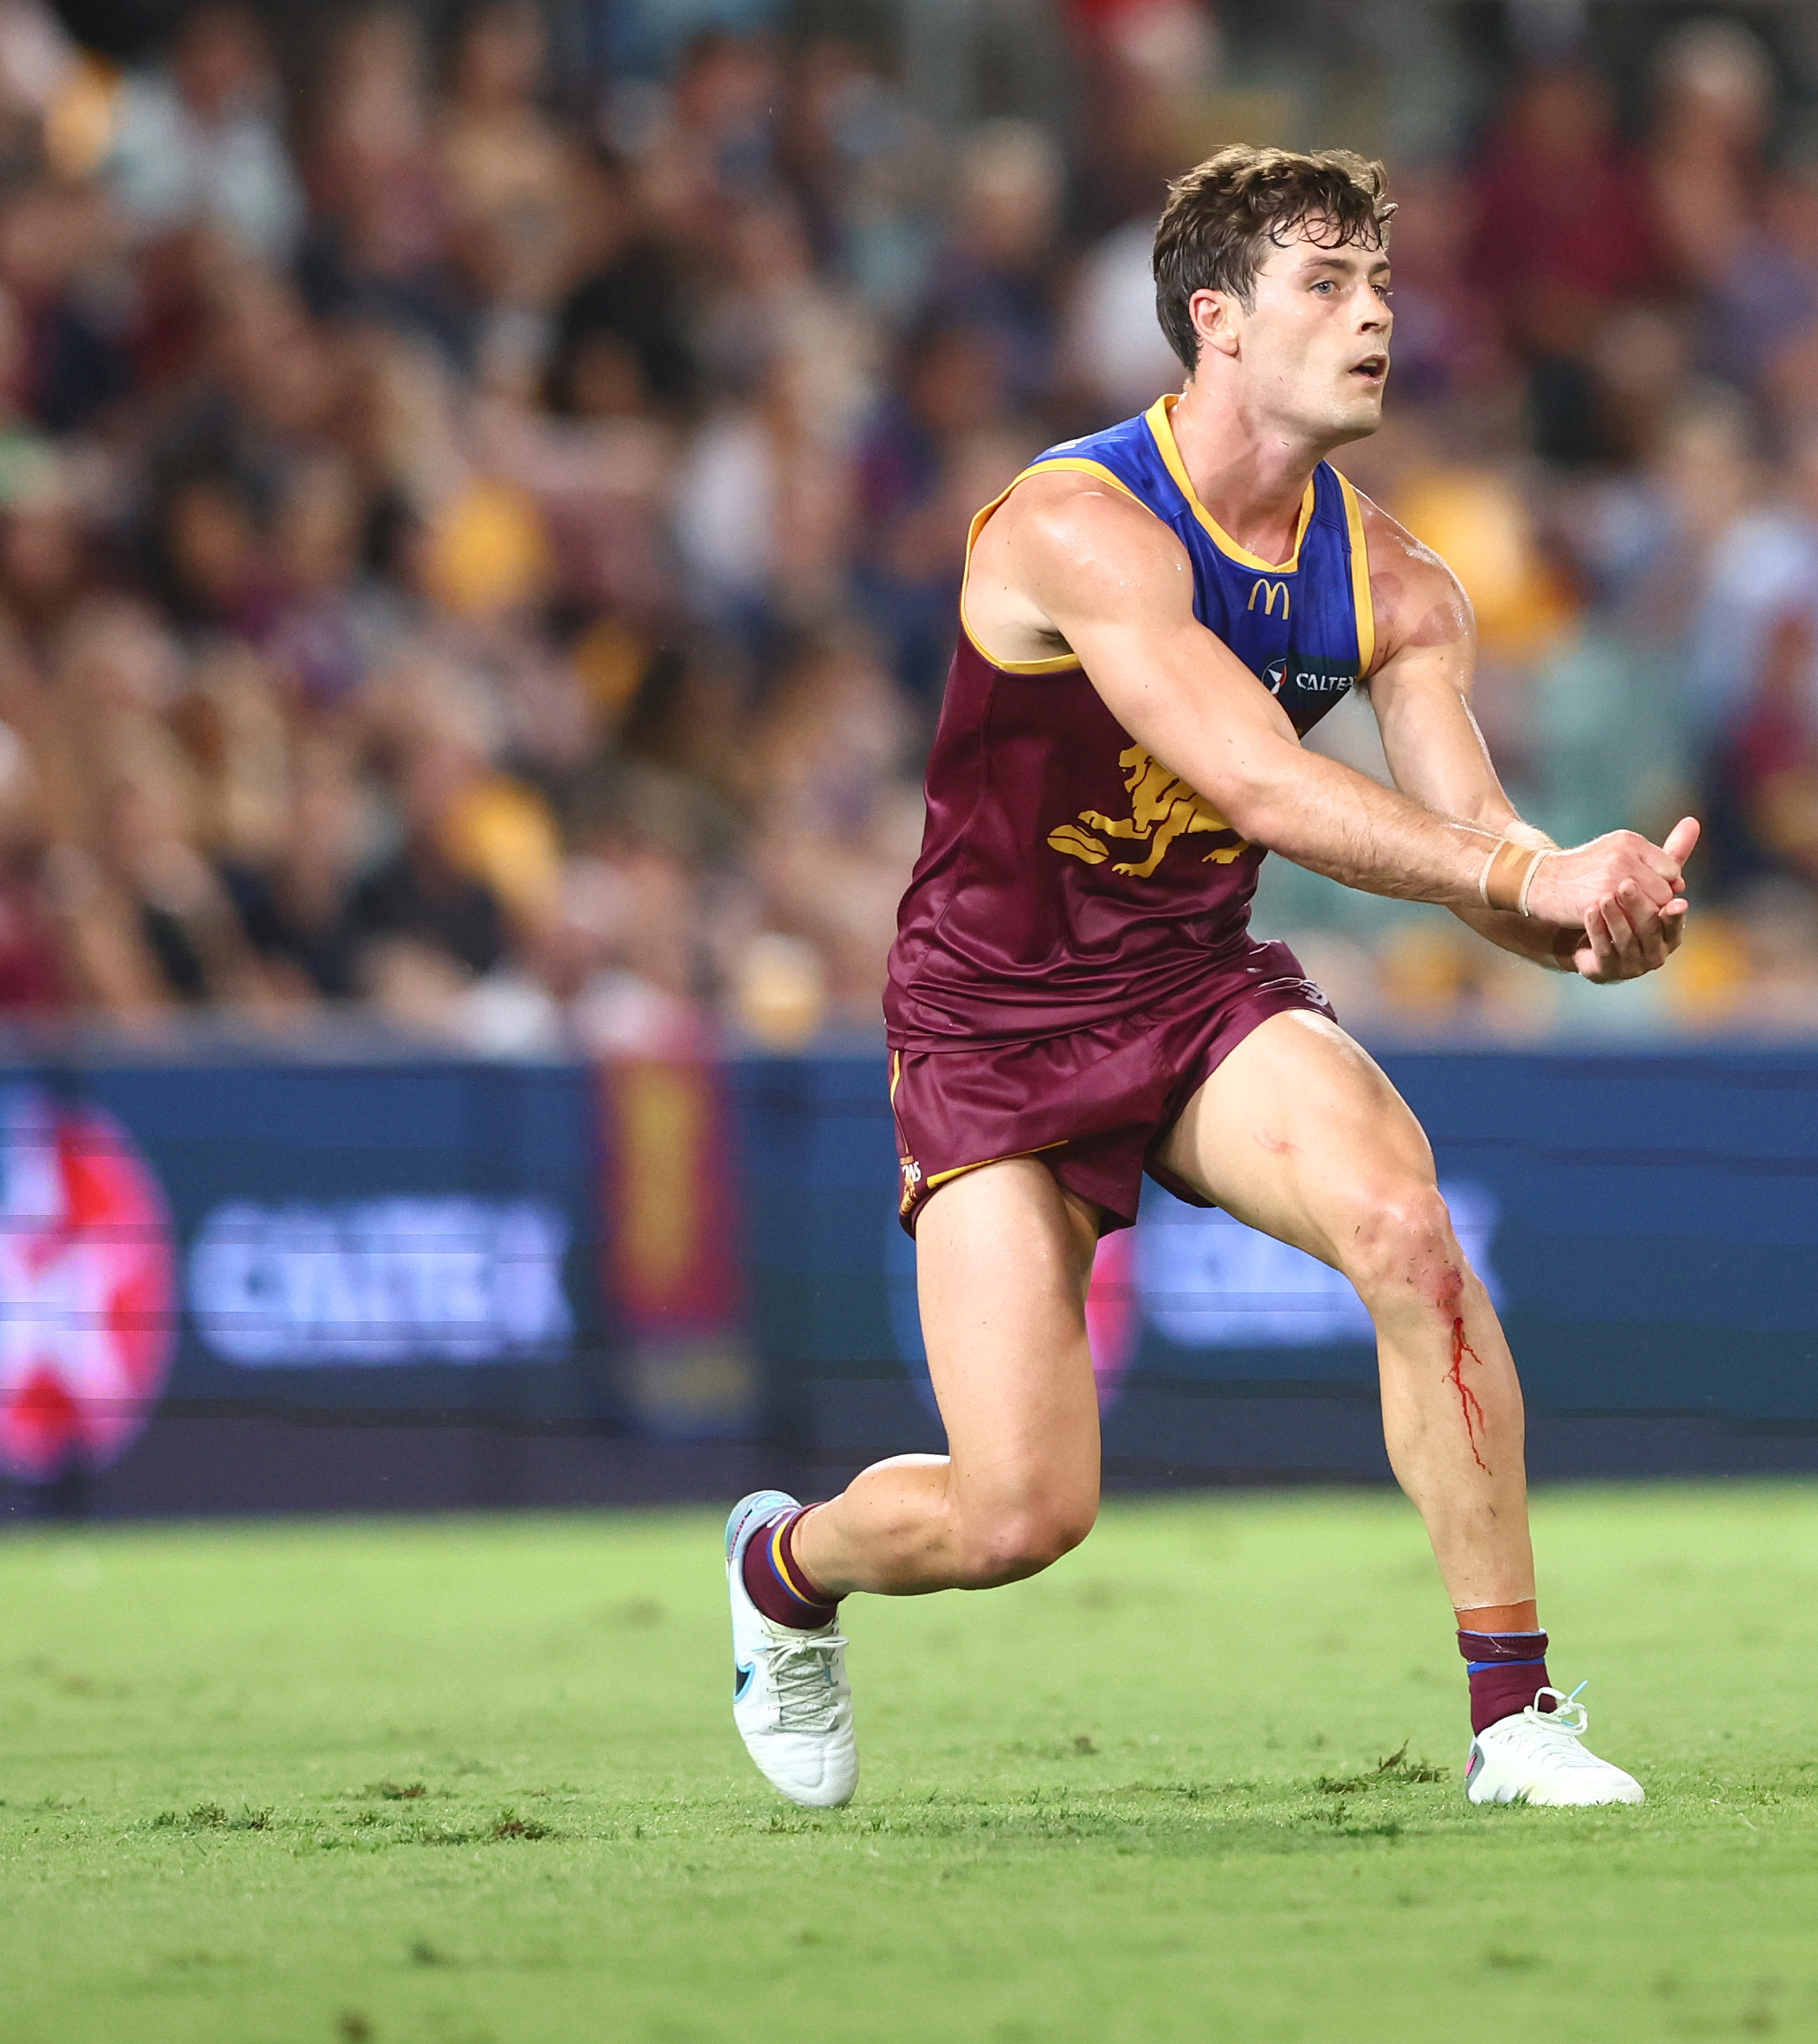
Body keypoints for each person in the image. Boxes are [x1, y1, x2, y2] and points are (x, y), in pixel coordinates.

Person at [721, 146, 1695, 1811]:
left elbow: (1472, 843)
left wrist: (1593, 917)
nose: (1375, 314)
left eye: (1383, 284)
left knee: (1408, 1232)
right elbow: (1254, 782)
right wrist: (1523, 877)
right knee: (1018, 1517)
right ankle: (782, 1577)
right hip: (990, 1023)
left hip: (1192, 992)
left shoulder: (1400, 583)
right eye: (1327, 284)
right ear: (1214, 322)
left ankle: (1514, 1721)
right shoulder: (1075, 527)